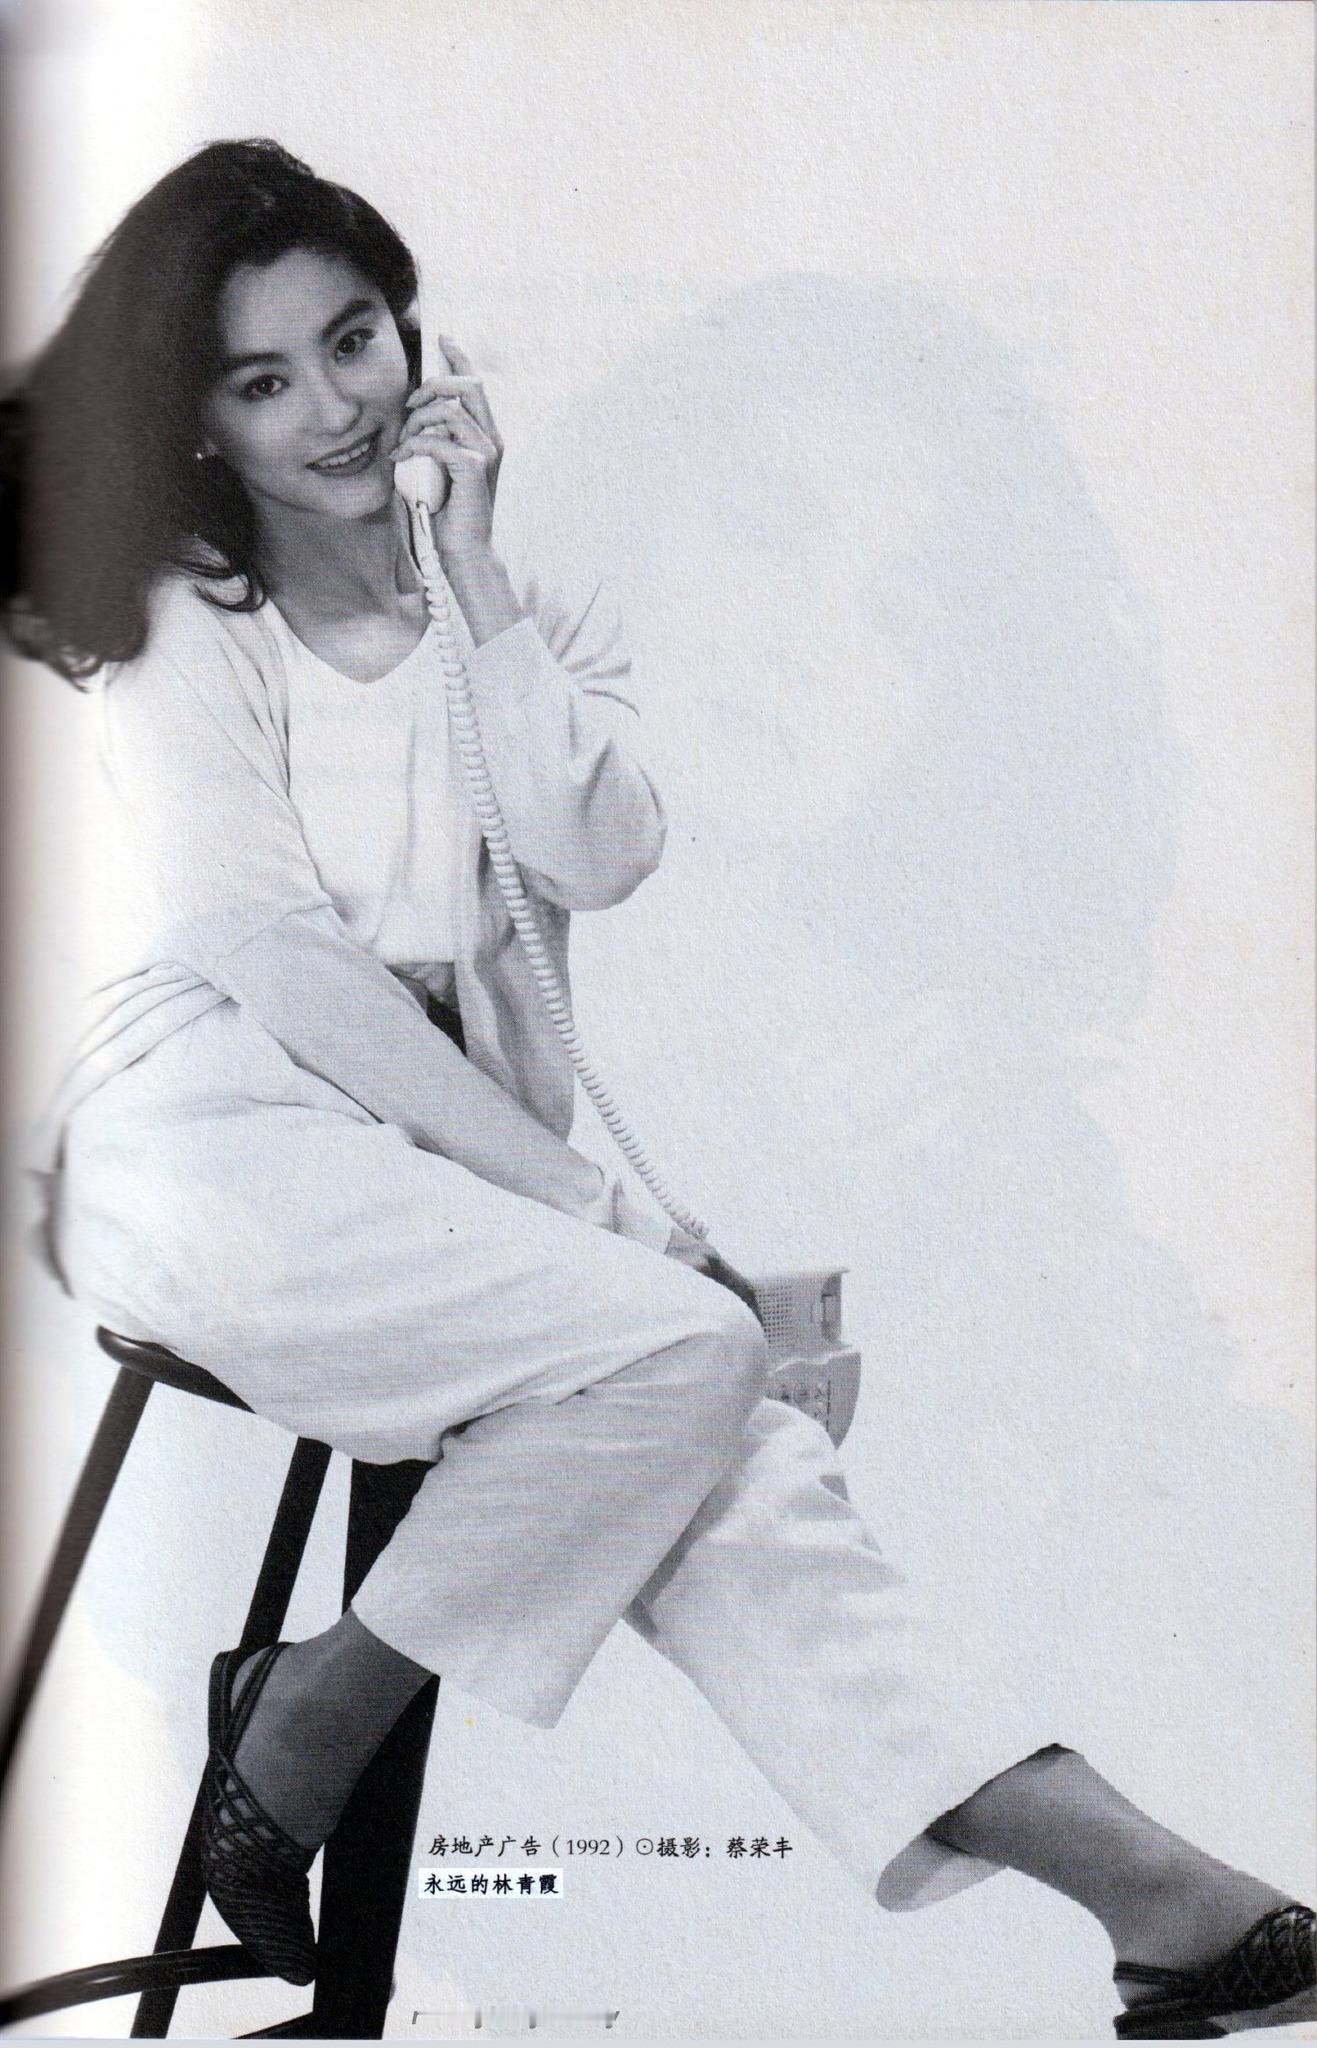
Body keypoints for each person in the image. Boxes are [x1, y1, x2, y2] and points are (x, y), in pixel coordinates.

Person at [2, 139, 1311, 2039]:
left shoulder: (513, 598)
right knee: (692, 1355)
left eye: (354, 341)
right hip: (213, 1136)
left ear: (413, 333)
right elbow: (277, 965)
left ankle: (1155, 1902)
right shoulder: (189, 623)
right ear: (199, 420)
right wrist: (597, 1212)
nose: (334, 407)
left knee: (726, 1446)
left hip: (444, 1168)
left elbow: (598, 854)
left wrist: (471, 577)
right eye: (263, 380)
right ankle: (297, 1726)